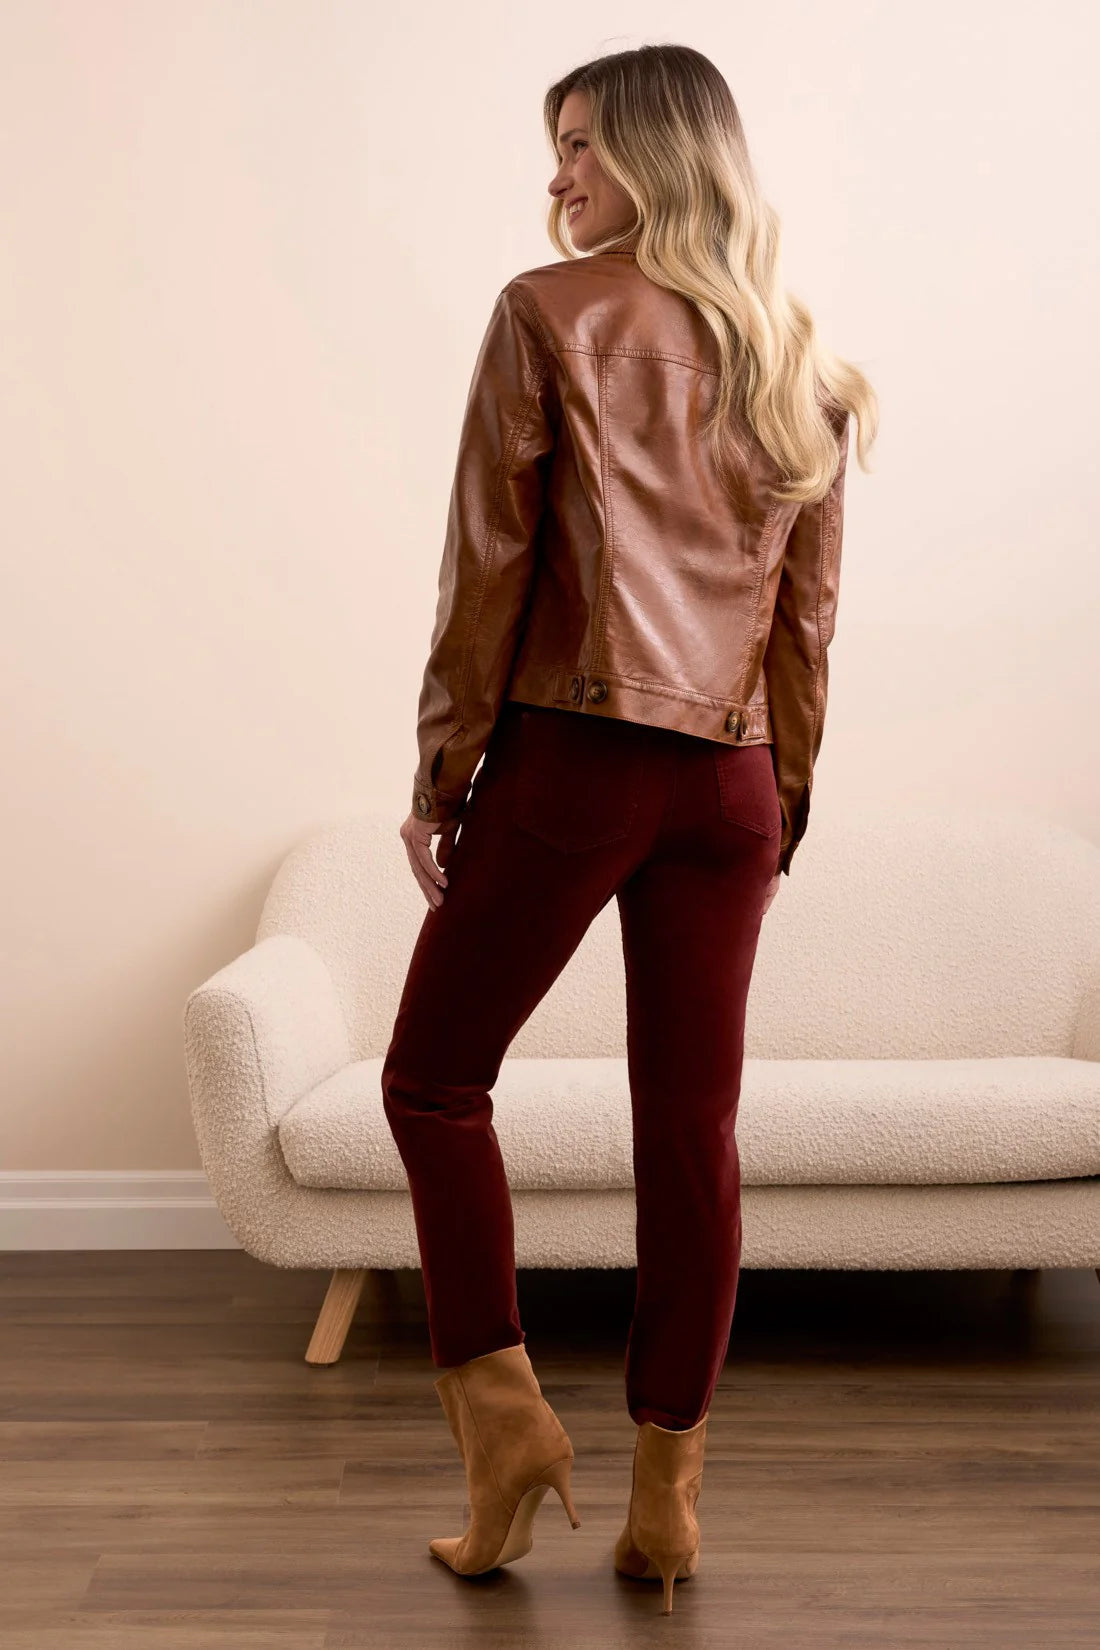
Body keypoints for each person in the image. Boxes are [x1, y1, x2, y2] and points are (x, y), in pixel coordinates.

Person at [382, 42, 878, 1613]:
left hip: (577, 757)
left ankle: (507, 1423)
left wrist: (445, 766)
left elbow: (489, 571)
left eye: (581, 148)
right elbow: (807, 637)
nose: (557, 181)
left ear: (659, 158)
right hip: (730, 783)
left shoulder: (549, 314)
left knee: (434, 1080)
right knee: (694, 1129)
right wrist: (774, 810)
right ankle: (668, 1498)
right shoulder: (799, 360)